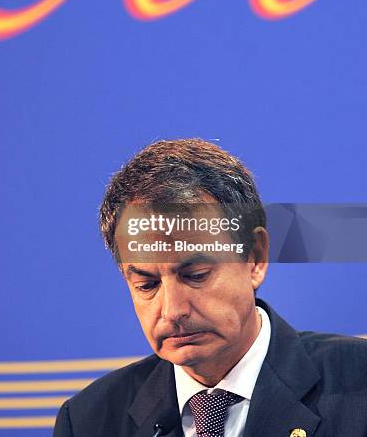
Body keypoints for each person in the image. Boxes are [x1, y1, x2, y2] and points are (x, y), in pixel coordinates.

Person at [53, 139, 367, 437]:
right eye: (147, 284)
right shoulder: (88, 420)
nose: (173, 310)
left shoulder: (359, 384)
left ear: (255, 258)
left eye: (196, 274)